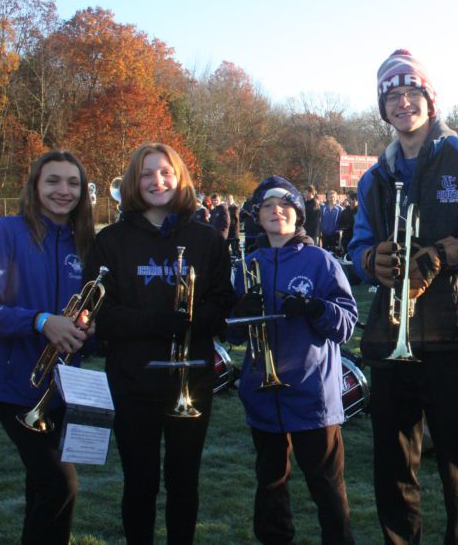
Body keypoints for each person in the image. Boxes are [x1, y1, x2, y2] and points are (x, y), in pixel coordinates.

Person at [348, 49, 458, 544]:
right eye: (392, 97)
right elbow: (359, 244)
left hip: (452, 332)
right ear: (383, 109)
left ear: (429, 99)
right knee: (392, 466)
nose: (403, 104)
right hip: (389, 336)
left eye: (411, 93)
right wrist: (367, 261)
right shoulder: (373, 177)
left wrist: (448, 251)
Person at [84, 143, 235, 545]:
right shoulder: (111, 242)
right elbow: (102, 315)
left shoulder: (207, 240)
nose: (157, 181)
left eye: (166, 172)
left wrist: (190, 319)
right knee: (140, 482)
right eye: (147, 174)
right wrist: (158, 321)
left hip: (193, 379)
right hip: (132, 381)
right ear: (134, 181)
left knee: (185, 482)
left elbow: (222, 305)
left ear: (179, 177)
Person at [0, 150, 96, 544]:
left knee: (42, 487)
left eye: (73, 183)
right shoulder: (7, 232)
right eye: (52, 181)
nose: (63, 190)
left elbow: (86, 318)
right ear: (35, 186)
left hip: (59, 388)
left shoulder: (85, 242)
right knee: (61, 485)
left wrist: (86, 332)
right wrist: (40, 320)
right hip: (10, 382)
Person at [230, 176, 358, 544]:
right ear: (257, 215)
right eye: (268, 206)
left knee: (327, 487)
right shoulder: (245, 263)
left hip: (311, 394)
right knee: (270, 485)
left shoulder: (321, 260)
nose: (276, 211)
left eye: (285, 205)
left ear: (298, 213)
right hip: (263, 393)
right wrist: (240, 311)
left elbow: (347, 324)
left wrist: (316, 308)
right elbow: (234, 334)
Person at [321, 189, 344, 254]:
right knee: (324, 252)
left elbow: (342, 221)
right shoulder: (323, 208)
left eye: (333, 197)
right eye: (330, 197)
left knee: (334, 253)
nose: (332, 199)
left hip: (335, 234)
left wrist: (339, 230)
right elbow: (321, 220)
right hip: (325, 234)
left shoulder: (340, 209)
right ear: (327, 198)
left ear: (336, 197)